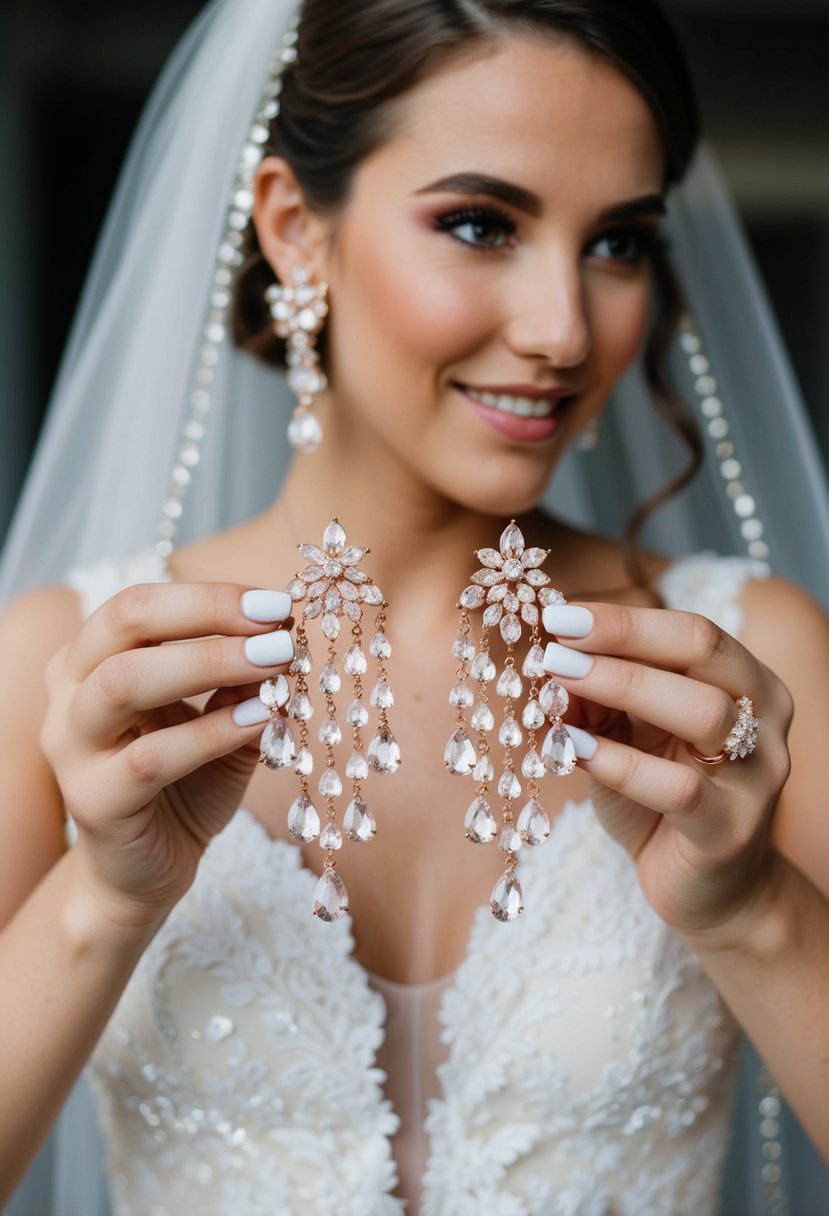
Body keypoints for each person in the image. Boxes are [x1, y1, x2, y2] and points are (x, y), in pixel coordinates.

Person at [1, 0, 828, 1212]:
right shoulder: (70, 666)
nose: (561, 331)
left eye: (618, 244)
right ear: (296, 229)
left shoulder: (747, 668)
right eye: (481, 223)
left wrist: (753, 913)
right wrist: (100, 901)